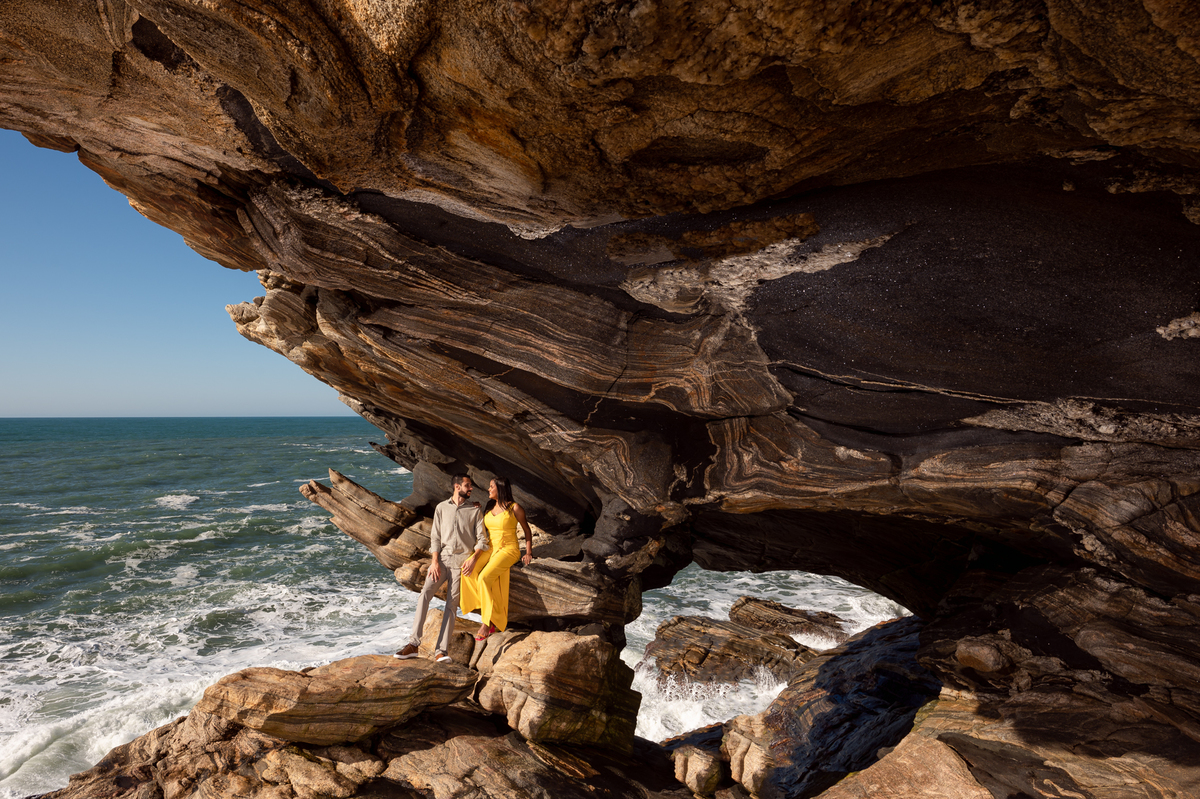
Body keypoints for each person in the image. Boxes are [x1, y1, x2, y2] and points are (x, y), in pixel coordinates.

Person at [394, 473, 487, 663]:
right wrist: (434, 561)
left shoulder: (475, 511)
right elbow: (435, 537)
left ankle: (441, 651)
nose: (470, 489)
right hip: (442, 560)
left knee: (451, 606)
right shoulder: (441, 508)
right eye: (467, 485)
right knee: (425, 594)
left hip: (462, 563)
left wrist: (473, 559)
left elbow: (482, 540)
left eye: (470, 486)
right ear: (456, 487)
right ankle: (413, 644)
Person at [459, 477, 533, 641]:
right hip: (490, 547)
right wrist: (475, 508)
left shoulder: (515, 508)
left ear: (499, 489)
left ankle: (487, 623)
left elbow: (527, 531)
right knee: (467, 570)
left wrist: (528, 552)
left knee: (484, 578)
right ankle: (484, 604)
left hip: (508, 549)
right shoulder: (489, 507)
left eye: (491, 486)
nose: (488, 489)